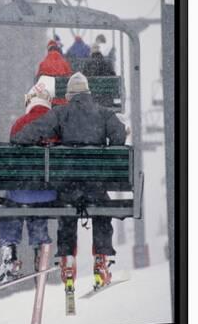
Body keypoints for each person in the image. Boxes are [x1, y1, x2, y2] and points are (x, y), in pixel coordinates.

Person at [10, 72, 127, 289]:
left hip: (68, 184)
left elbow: (35, 131)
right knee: (102, 213)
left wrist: (18, 138)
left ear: (69, 95)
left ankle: (66, 259)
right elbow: (119, 134)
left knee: (67, 213)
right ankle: (102, 258)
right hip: (95, 186)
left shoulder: (60, 113)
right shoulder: (104, 113)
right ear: (88, 93)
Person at [0, 76, 58, 285]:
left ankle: (9, 250)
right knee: (39, 201)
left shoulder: (19, 124)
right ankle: (40, 247)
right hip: (49, 193)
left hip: (21, 191)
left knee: (13, 203)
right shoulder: (57, 122)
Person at [36, 40, 72, 106]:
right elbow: (70, 78)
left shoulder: (43, 64)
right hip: (63, 100)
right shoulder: (64, 63)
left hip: (47, 100)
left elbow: (38, 81)